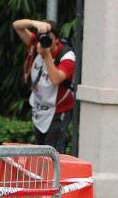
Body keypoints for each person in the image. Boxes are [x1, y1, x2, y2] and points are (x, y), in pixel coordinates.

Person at [12, 18, 76, 153]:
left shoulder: (67, 56)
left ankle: (54, 168)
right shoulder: (37, 45)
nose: (45, 41)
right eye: (42, 37)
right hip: (39, 109)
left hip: (58, 111)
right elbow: (17, 25)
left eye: (49, 37)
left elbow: (56, 79)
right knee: (40, 151)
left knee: (52, 152)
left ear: (56, 39)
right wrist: (35, 24)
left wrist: (46, 55)